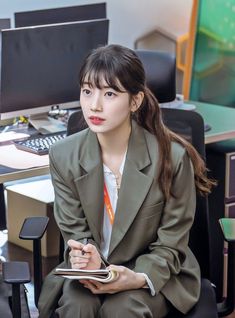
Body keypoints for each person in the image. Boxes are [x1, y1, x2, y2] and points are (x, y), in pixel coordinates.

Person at [38, 44, 215, 318]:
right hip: (94, 270)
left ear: (135, 101)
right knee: (77, 306)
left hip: (152, 269)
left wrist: (136, 277)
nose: (94, 105)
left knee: (122, 309)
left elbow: (170, 244)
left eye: (109, 93)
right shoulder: (63, 156)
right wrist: (87, 257)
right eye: (87, 91)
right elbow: (75, 231)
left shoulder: (172, 158)